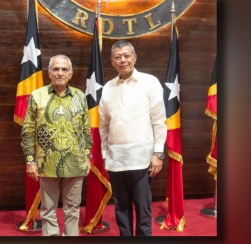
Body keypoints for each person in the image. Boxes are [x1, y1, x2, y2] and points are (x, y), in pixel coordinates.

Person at [98, 40, 167, 236]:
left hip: (142, 160)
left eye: (127, 56)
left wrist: (158, 154)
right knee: (121, 209)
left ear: (135, 57)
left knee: (143, 210)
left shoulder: (150, 82)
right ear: (112, 61)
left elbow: (159, 121)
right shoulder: (108, 88)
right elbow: (104, 125)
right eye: (118, 57)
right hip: (116, 160)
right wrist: (104, 154)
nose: (123, 60)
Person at [21, 54, 92, 236]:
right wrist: (30, 161)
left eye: (64, 69)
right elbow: (28, 131)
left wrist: (88, 156)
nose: (60, 73)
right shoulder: (37, 96)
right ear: (49, 72)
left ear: (71, 74)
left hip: (75, 164)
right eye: (56, 69)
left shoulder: (80, 97)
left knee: (72, 210)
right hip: (47, 164)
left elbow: (85, 130)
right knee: (48, 210)